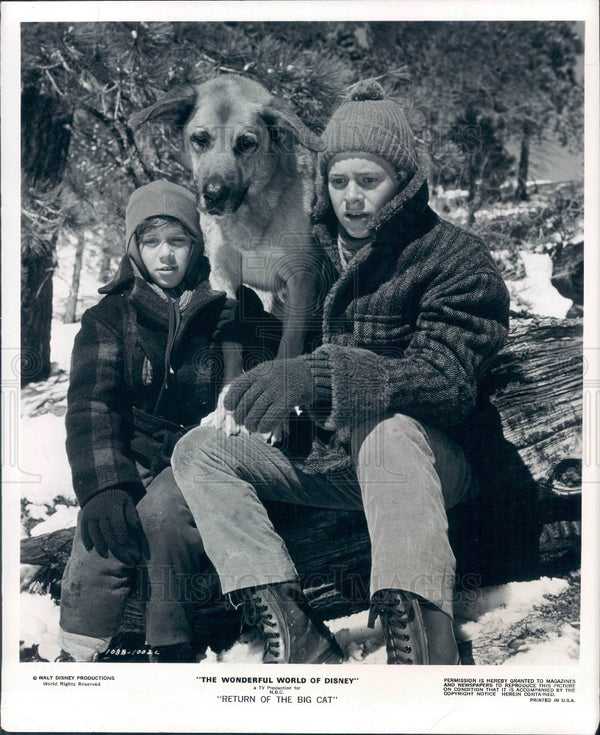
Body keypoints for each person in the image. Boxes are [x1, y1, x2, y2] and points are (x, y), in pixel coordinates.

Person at [170, 80, 511, 665]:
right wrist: (248, 387)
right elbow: (264, 319)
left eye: (369, 181)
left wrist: (319, 377)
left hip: (429, 466)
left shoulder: (456, 257)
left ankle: (424, 653)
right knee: (198, 452)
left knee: (390, 433)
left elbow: (447, 382)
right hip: (331, 460)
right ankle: (294, 633)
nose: (352, 198)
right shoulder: (313, 250)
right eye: (338, 181)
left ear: (403, 182)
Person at [58, 179, 273, 663]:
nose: (166, 256)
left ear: (196, 245)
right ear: (134, 247)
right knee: (101, 537)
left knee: (162, 520)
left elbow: (263, 371)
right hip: (130, 455)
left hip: (196, 452)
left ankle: (170, 646)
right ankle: (76, 657)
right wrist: (103, 486)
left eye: (177, 241)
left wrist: (247, 328)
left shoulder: (226, 306)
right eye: (151, 242)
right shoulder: (109, 318)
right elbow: (91, 407)